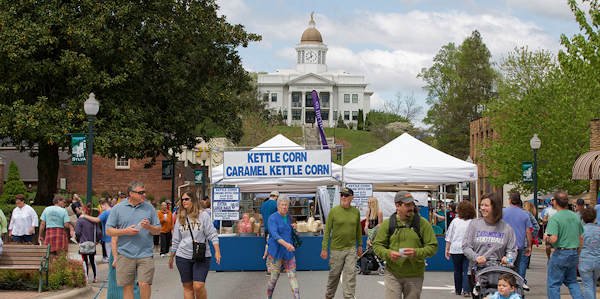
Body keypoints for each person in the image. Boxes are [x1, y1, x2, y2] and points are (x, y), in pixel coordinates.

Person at [372, 191, 438, 299]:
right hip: (393, 273)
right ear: (397, 206)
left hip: (415, 274)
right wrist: (388, 253)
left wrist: (416, 252)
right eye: (407, 205)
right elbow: (377, 245)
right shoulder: (388, 224)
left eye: (412, 204)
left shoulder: (423, 223)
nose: (411, 207)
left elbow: (433, 247)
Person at [106, 181, 161, 299]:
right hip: (125, 254)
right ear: (131, 193)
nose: (144, 195)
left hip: (145, 254)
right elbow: (109, 231)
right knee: (127, 286)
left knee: (144, 284)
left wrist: (149, 227)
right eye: (141, 192)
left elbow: (158, 230)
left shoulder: (149, 208)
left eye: (144, 192)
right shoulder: (118, 208)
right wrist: (125, 231)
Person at [169, 191, 221, 299]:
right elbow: (176, 239)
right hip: (182, 256)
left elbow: (212, 234)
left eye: (186, 199)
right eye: (182, 199)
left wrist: (217, 251)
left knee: (198, 286)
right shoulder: (180, 217)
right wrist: (171, 257)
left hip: (201, 255)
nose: (184, 202)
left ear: (193, 200)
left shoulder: (203, 215)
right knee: (187, 287)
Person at [463, 193, 517, 291]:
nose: (482, 208)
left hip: (499, 274)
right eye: (481, 205)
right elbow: (466, 246)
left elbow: (512, 251)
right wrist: (476, 257)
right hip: (477, 273)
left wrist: (508, 260)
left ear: (495, 207)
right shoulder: (474, 224)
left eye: (486, 205)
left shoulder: (507, 228)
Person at [321, 187, 363, 299]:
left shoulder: (356, 212)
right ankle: (329, 296)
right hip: (336, 250)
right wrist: (324, 248)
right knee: (334, 276)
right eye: (342, 195)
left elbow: (358, 230)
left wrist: (360, 245)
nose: (343, 197)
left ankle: (348, 297)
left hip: (351, 249)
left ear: (351, 198)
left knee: (350, 276)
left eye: (346, 195)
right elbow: (327, 231)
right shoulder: (334, 211)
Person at [543, 191, 584, 299]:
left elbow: (554, 238)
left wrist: (547, 238)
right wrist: (578, 253)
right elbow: (581, 238)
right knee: (572, 282)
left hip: (561, 253)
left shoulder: (555, 218)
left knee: (554, 284)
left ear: (555, 202)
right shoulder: (575, 216)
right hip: (574, 253)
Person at [265, 195, 300, 299]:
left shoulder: (289, 217)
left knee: (292, 277)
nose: (284, 207)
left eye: (286, 205)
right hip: (276, 253)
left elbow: (288, 232)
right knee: (274, 279)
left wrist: (293, 227)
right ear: (278, 206)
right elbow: (275, 235)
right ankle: (269, 297)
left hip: (289, 253)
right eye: (282, 205)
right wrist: (287, 245)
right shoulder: (272, 218)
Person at [445, 200, 476, 297]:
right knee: (467, 270)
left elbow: (449, 236)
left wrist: (447, 249)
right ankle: (466, 290)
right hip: (469, 249)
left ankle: (458, 290)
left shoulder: (455, 221)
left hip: (455, 249)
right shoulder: (473, 222)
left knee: (457, 270)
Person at [501, 192, 532, 287]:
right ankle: (516, 286)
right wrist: (529, 246)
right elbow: (528, 231)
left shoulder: (502, 212)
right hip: (519, 245)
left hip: (504, 244)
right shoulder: (525, 214)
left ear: (509, 200)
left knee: (504, 267)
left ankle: (505, 286)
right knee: (517, 268)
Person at [80, 199, 113, 263]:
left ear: (105, 204)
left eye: (101, 206)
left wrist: (84, 216)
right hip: (115, 235)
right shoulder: (114, 210)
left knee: (110, 258)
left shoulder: (105, 213)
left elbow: (96, 220)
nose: (101, 208)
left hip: (107, 237)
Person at [76, 204, 102, 283]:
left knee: (84, 260)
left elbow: (77, 232)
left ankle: (86, 277)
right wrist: (97, 240)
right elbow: (99, 232)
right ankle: (95, 277)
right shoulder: (94, 220)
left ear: (84, 211)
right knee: (92, 260)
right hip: (92, 243)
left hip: (83, 242)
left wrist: (78, 239)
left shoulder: (80, 220)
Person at [579, 207, 600, 299]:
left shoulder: (582, 231)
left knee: (587, 285)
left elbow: (579, 246)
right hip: (598, 260)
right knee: (593, 284)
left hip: (585, 259)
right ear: (595, 217)